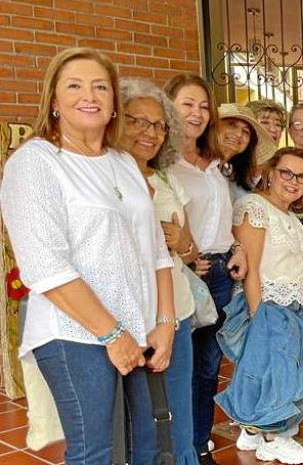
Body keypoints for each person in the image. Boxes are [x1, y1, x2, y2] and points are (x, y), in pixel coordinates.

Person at [0, 47, 174, 464]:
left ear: (114, 103)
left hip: (138, 328)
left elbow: (156, 252)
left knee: (144, 445)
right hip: (75, 333)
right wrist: (112, 335)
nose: (89, 95)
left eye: (100, 86)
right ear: (54, 100)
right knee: (96, 451)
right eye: (74, 85)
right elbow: (45, 265)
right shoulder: (36, 162)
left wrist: (164, 323)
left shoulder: (124, 163)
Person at [215, 148, 303, 464]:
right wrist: (257, 313)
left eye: (301, 176)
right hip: (269, 305)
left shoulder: (289, 215)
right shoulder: (254, 207)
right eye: (286, 172)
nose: (293, 181)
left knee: (292, 372)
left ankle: (253, 429)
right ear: (271, 173)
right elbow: (251, 267)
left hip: (295, 304)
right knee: (302, 372)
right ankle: (276, 436)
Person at [117, 78, 201, 464]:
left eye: (159, 125)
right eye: (137, 121)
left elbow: (190, 250)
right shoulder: (104, 177)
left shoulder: (164, 178)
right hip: (124, 318)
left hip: (175, 314)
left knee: (176, 418)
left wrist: (180, 241)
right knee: (138, 427)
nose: (149, 133)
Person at [165, 73, 247, 464]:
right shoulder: (164, 164)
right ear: (170, 106)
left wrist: (238, 248)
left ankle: (198, 443)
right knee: (180, 366)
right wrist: (185, 257)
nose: (196, 113)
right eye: (187, 104)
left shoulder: (216, 164)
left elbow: (224, 219)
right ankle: (178, 446)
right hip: (184, 274)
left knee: (209, 368)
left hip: (218, 273)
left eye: (203, 106)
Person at [217, 103, 278, 202]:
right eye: (232, 125)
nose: (239, 134)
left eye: (246, 131)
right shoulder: (197, 166)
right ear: (214, 127)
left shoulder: (228, 174)